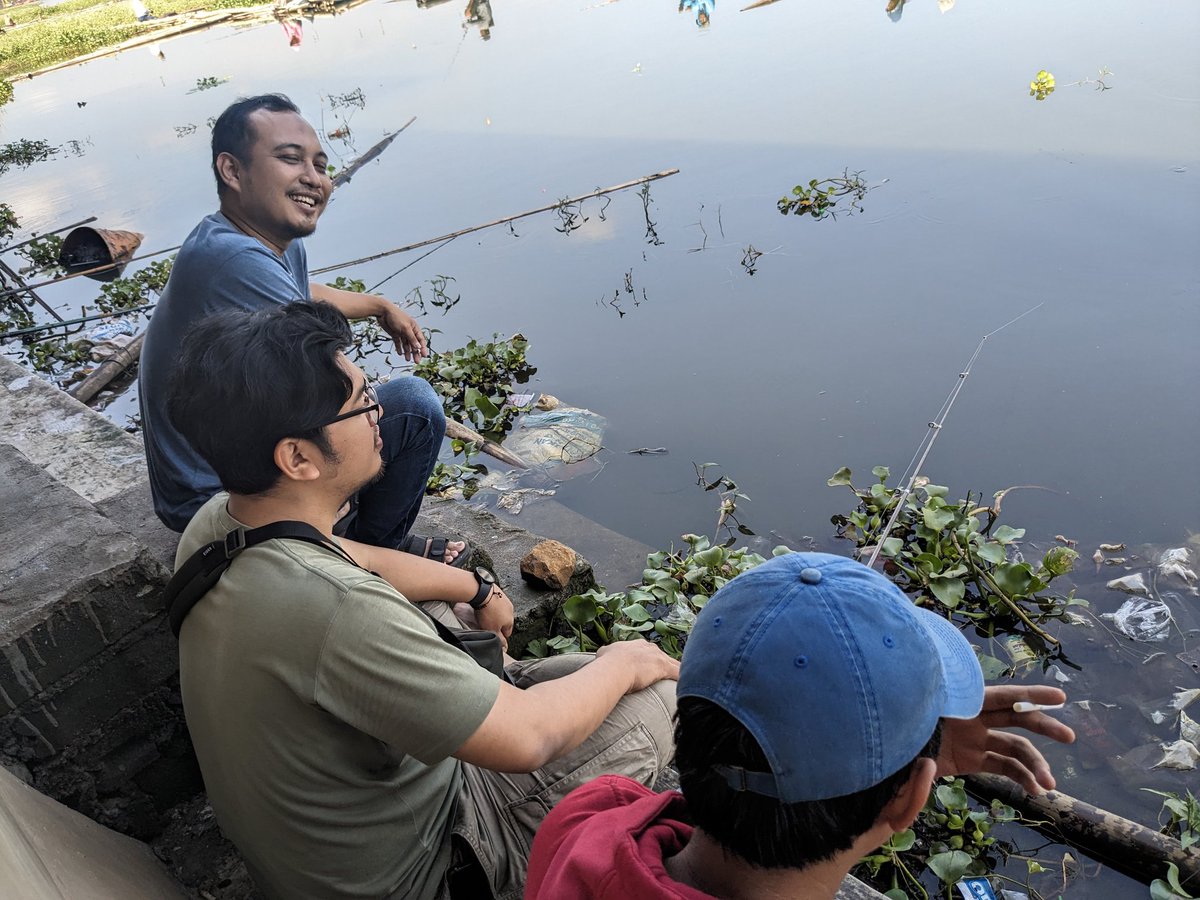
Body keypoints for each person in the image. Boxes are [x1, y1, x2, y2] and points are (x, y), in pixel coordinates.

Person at [166, 299, 679, 900]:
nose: (379, 411)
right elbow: (531, 740)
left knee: (509, 648)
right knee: (657, 693)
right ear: (298, 457)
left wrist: (475, 585)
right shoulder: (339, 610)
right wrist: (626, 661)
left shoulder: (219, 522)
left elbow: (349, 555)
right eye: (361, 404)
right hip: (432, 866)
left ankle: (505, 681)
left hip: (320, 854)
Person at [526, 552, 1076, 899]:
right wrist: (906, 750)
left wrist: (912, 749)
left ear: (683, 729)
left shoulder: (591, 819)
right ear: (909, 803)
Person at [139, 93, 457, 563]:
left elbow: (304, 291)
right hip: (211, 496)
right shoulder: (233, 259)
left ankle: (358, 546)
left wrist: (377, 305)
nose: (314, 179)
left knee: (382, 412)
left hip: (237, 459)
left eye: (321, 165)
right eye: (290, 159)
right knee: (412, 410)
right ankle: (367, 558)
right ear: (232, 171)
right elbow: (330, 380)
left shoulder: (250, 237)